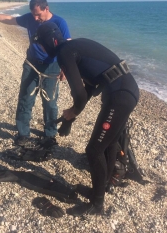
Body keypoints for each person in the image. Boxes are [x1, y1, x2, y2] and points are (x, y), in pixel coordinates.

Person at [34, 21, 139, 218]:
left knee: (94, 149)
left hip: (119, 96)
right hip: (126, 90)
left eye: (41, 45)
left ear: (49, 41)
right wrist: (72, 115)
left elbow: (81, 95)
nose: (42, 48)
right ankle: (102, 188)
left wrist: (74, 111)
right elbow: (93, 85)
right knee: (108, 144)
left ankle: (97, 204)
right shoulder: (76, 46)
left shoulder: (64, 53)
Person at [0, 0, 71, 146]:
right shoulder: (30, 18)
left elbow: (68, 46)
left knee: (50, 102)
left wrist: (66, 69)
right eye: (33, 14)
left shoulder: (60, 22)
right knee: (25, 98)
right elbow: (9, 19)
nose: (35, 18)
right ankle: (23, 133)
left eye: (38, 14)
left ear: (46, 9)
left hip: (52, 67)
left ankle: (50, 134)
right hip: (31, 64)